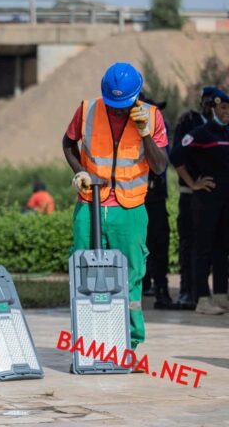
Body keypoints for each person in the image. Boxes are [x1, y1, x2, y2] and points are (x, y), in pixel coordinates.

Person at [62, 63, 168, 350]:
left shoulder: (153, 117)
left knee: (131, 276)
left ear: (137, 95)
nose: (118, 110)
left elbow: (159, 167)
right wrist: (79, 171)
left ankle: (129, 344)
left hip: (130, 209)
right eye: (113, 104)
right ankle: (87, 344)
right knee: (83, 271)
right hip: (89, 204)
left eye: (124, 105)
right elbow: (68, 143)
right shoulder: (87, 110)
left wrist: (145, 132)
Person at [170, 89, 229, 315]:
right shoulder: (201, 133)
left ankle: (222, 295)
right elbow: (176, 156)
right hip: (206, 201)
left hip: (225, 203)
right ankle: (202, 298)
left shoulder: (226, 134)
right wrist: (192, 183)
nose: (226, 113)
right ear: (213, 109)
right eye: (222, 108)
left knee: (222, 248)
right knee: (203, 248)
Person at [137, 93, 176, 309]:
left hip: (156, 195)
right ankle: (143, 285)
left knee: (159, 242)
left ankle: (161, 290)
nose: (157, 114)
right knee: (136, 244)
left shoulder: (161, 129)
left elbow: (163, 162)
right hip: (134, 195)